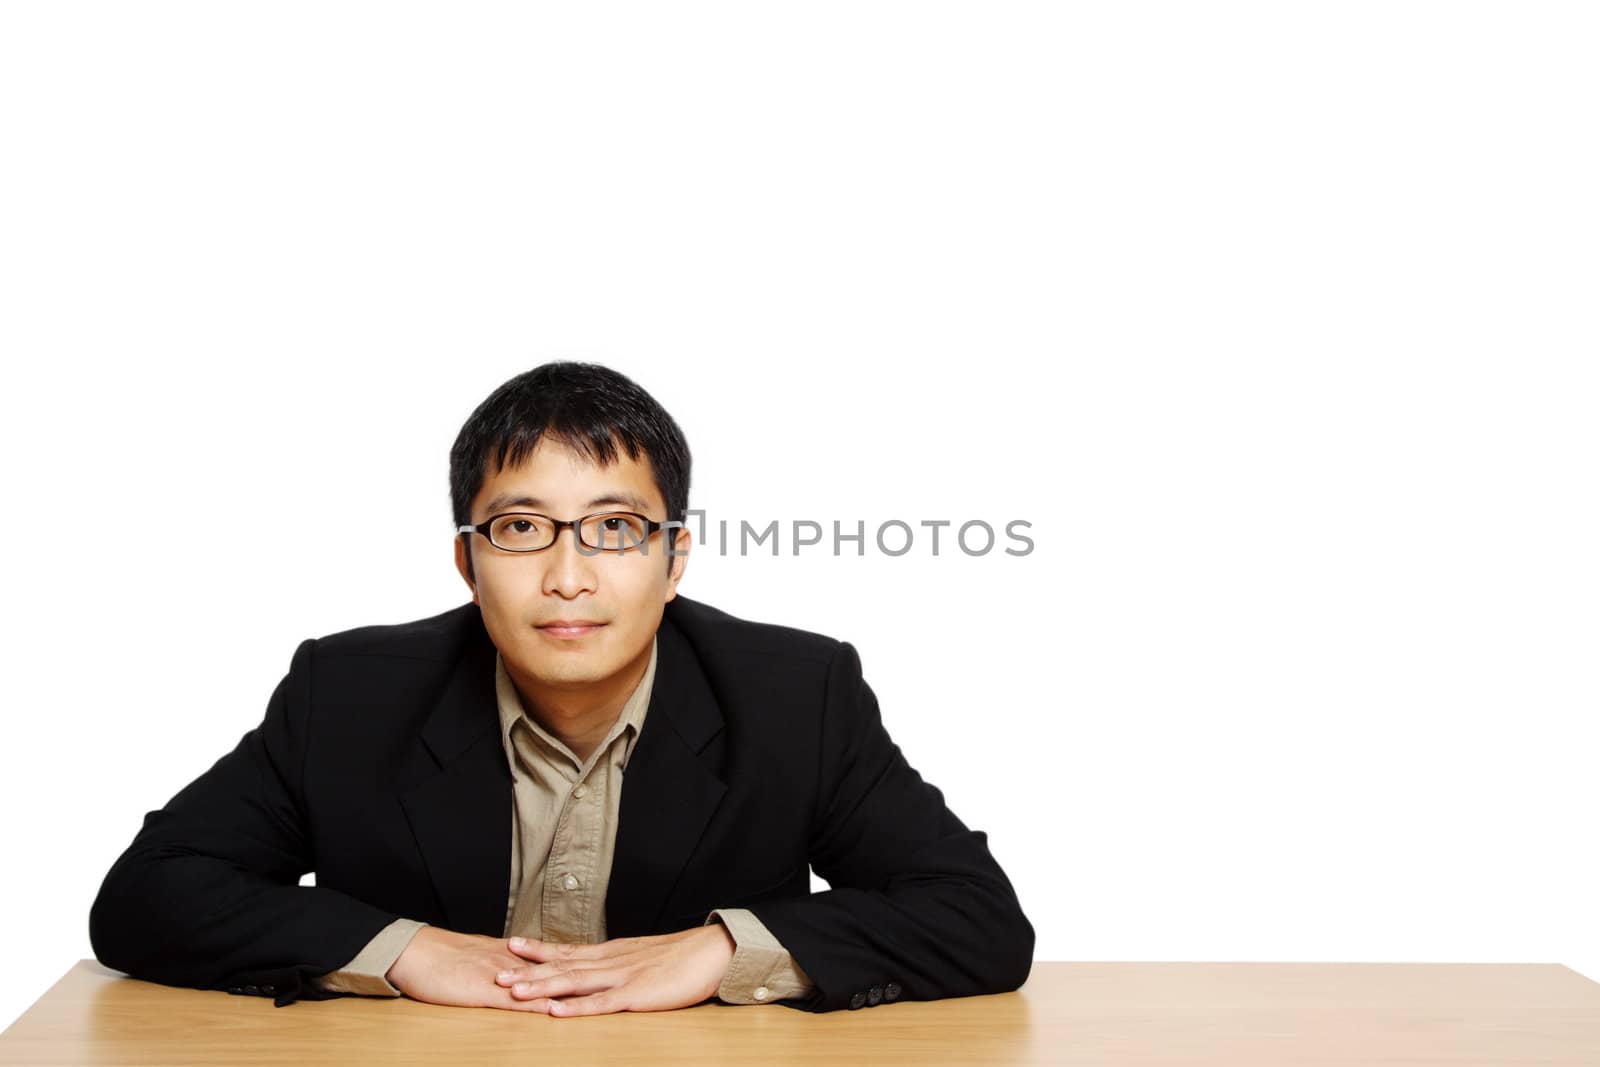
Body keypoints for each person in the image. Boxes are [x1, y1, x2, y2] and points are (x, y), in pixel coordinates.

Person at [88, 362, 1035, 1015]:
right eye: (522, 529)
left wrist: (722, 949)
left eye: (616, 529)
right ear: (467, 560)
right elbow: (146, 896)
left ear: (675, 559)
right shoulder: (347, 695)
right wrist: (403, 948)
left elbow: (979, 918)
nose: (570, 577)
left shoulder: (798, 697)